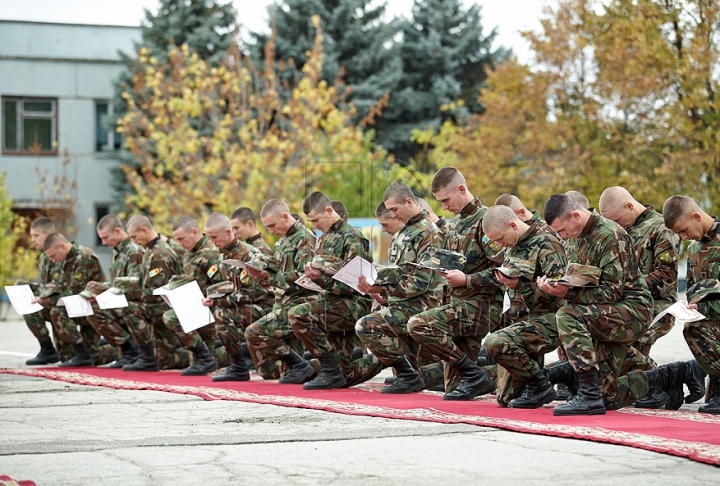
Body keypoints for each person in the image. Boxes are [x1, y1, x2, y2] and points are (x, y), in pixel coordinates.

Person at [539, 194, 699, 415]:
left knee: (568, 315)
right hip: (605, 312)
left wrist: (568, 293)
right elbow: (579, 280)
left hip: (631, 311)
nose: (561, 236)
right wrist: (555, 286)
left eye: (562, 230)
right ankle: (669, 375)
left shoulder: (612, 236)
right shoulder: (574, 238)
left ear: (576, 215)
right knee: (610, 398)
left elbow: (612, 292)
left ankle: (588, 393)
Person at [407, 167, 504, 400]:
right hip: (457, 305)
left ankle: (475, 374)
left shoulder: (487, 221)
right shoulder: (454, 225)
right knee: (454, 393)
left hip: (480, 307)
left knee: (418, 324)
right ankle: (495, 374)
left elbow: (505, 272)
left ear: (462, 189)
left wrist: (467, 279)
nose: (443, 207)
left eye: (446, 200)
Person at [288, 191, 383, 389]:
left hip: (353, 304)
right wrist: (311, 279)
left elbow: (355, 286)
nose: (313, 226)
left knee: (298, 314)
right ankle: (382, 358)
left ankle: (330, 369)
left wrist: (320, 279)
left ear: (329, 210)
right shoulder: (322, 239)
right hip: (331, 302)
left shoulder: (353, 238)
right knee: (346, 375)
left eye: (315, 220)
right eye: (310, 221)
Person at [356, 183, 444, 393]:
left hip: (421, 306)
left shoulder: (428, 232)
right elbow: (399, 273)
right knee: (421, 374)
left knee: (366, 326)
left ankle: (410, 374)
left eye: (395, 210)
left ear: (409, 201)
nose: (393, 216)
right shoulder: (402, 234)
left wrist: (382, 289)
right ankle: (411, 374)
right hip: (403, 304)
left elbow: (423, 282)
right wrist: (378, 290)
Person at [599, 187, 682, 409]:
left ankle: (661, 382)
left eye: (617, 219)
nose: (617, 224)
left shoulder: (661, 228)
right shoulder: (618, 232)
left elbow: (667, 275)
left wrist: (629, 287)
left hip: (659, 305)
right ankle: (659, 380)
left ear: (629, 205)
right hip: (626, 303)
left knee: (629, 340)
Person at [482, 205, 567, 407]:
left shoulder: (547, 244)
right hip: (522, 322)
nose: (500, 244)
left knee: (495, 342)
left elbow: (559, 295)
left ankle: (540, 385)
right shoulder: (513, 246)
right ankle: (562, 373)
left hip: (548, 320)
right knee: (506, 398)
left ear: (513, 225)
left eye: (500, 239)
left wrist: (520, 285)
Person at [244, 199, 317, 384]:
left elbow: (304, 277)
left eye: (272, 225)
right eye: (267, 227)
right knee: (281, 375)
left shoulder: (305, 238)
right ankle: (310, 365)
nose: (270, 231)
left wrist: (269, 278)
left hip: (300, 304)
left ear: (285, 217)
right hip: (282, 302)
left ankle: (306, 365)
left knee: (254, 332)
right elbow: (280, 268)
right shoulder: (281, 242)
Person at [663, 195, 720, 414]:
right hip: (714, 322)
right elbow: (696, 292)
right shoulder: (694, 249)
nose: (683, 237)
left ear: (696, 216)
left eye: (684, 230)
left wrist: (707, 310)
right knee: (692, 327)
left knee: (696, 328)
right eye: (679, 234)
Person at [202, 212, 275, 381]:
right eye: (209, 238)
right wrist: (212, 297)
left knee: (221, 314)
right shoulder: (223, 255)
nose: (212, 242)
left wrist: (218, 301)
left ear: (228, 232)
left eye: (214, 237)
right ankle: (235, 365)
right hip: (243, 308)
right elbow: (226, 287)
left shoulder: (249, 255)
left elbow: (250, 293)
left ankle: (238, 367)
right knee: (270, 372)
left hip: (263, 308)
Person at [161, 216, 227, 376]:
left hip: (211, 311)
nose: (179, 243)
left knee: (170, 317)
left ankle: (206, 358)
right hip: (195, 309)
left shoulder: (210, 254)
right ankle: (209, 358)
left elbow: (223, 284)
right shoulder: (189, 254)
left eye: (181, 239)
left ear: (194, 232)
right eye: (177, 240)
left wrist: (210, 296)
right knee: (209, 362)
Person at [43, 233, 116, 367]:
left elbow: (76, 292)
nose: (53, 260)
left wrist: (50, 299)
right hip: (82, 308)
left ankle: (85, 354)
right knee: (80, 357)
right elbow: (63, 286)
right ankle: (90, 353)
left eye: (53, 256)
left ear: (62, 246)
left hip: (94, 309)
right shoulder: (66, 259)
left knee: (57, 311)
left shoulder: (84, 257)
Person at [122, 215, 183, 371]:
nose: (133, 241)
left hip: (165, 308)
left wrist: (128, 294)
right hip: (157, 308)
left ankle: (146, 357)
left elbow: (156, 293)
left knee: (130, 308)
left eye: (134, 237)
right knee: (164, 362)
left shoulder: (158, 254)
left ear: (144, 230)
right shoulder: (150, 250)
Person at [85, 215, 144, 369]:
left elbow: (134, 284)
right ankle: (126, 350)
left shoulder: (133, 251)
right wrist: (99, 287)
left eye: (106, 238)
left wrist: (105, 295)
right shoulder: (117, 252)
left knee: (95, 309)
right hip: (121, 301)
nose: (104, 243)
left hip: (135, 305)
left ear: (117, 231)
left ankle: (131, 350)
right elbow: (116, 283)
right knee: (87, 304)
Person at [23, 217, 64, 365]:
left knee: (75, 355)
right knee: (28, 307)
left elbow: (60, 285)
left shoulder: (61, 253)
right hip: (51, 301)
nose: (32, 239)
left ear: (48, 233)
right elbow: (46, 285)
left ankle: (123, 348)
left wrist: (41, 294)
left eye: (36, 235)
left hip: (62, 302)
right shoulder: (43, 257)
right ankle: (47, 350)